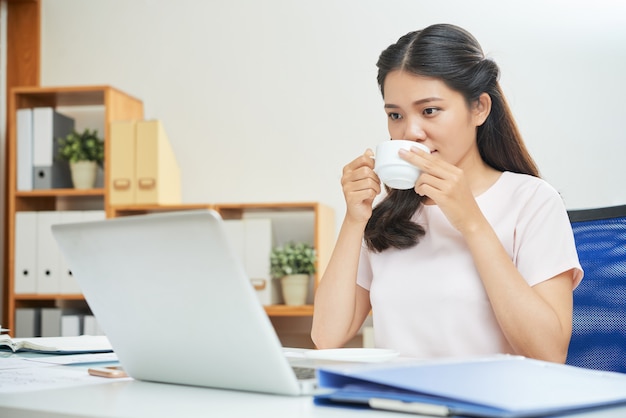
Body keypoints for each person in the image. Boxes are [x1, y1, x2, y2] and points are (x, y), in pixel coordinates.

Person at [311, 23, 583, 363]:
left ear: (479, 108)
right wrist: (354, 220)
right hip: (401, 404)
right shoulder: (388, 214)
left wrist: (471, 222)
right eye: (395, 114)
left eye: (429, 111)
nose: (410, 132)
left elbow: (548, 353)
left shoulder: (532, 201)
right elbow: (326, 337)